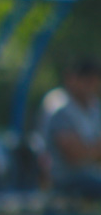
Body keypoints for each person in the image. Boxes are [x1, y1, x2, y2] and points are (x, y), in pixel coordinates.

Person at [43, 58, 101, 197]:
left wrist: (90, 150)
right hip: (63, 179)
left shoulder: (94, 106)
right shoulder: (59, 106)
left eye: (94, 80)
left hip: (90, 176)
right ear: (72, 78)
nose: (91, 85)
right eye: (86, 79)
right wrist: (95, 150)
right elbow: (74, 155)